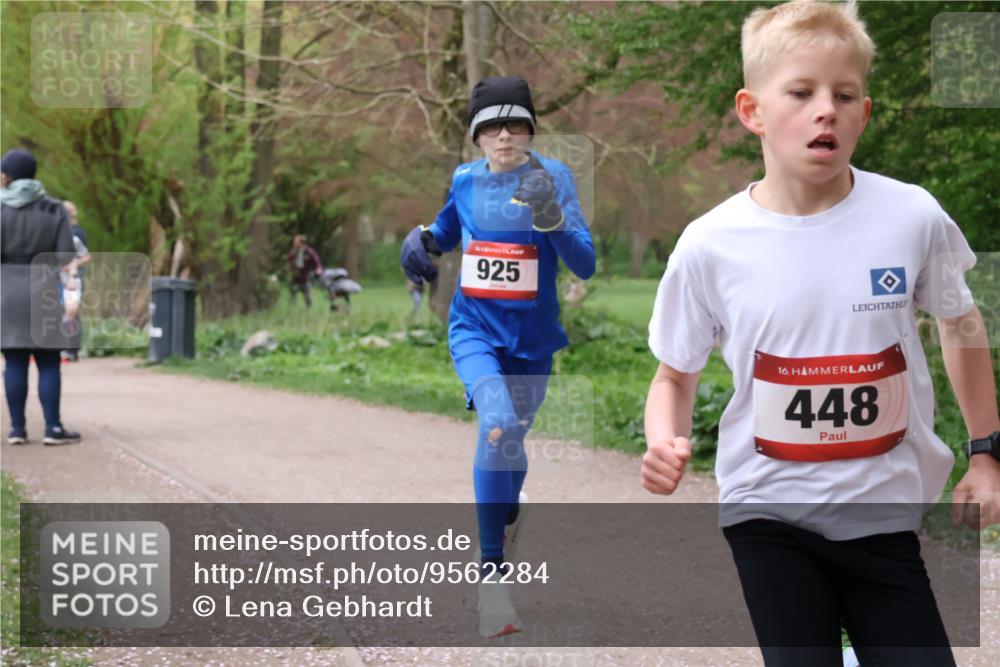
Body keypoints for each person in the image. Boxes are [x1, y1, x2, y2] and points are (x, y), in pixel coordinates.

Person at [643, 2, 999, 665]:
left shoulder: (911, 216)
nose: (825, 110)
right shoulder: (710, 245)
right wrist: (665, 437)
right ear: (753, 111)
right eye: (802, 93)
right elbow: (673, 374)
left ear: (864, 114)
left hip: (882, 515)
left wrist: (986, 453)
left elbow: (961, 323)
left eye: (844, 94)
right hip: (768, 512)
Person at [401, 75, 595, 638]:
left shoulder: (552, 177)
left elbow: (584, 263)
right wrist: (422, 243)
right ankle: (492, 583)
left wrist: (551, 217)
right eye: (491, 125)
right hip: (474, 330)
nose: (504, 134)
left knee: (510, 442)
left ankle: (510, 510)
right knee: (497, 426)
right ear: (476, 135)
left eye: (515, 124)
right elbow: (445, 229)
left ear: (530, 129)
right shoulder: (465, 179)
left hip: (533, 342)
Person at [1, 148, 81, 445]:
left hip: (6, 290)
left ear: (9, 175)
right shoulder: (53, 208)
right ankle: (52, 428)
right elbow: (64, 254)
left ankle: (17, 430)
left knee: (15, 361)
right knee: (48, 361)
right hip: (43, 286)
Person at [59, 201, 90, 361]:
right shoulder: (61, 231)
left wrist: (71, 266)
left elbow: (85, 257)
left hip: (73, 278)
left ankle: (71, 349)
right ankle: (64, 348)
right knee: (62, 311)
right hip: (59, 279)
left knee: (71, 312)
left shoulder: (76, 234)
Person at [284, 234, 322, 307]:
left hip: (305, 278)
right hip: (294, 278)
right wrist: (287, 269)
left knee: (308, 299)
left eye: (296, 242)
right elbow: (287, 261)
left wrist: (318, 269)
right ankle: (292, 312)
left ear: (301, 243)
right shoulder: (293, 252)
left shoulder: (309, 252)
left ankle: (310, 313)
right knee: (292, 297)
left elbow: (317, 262)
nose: (294, 243)